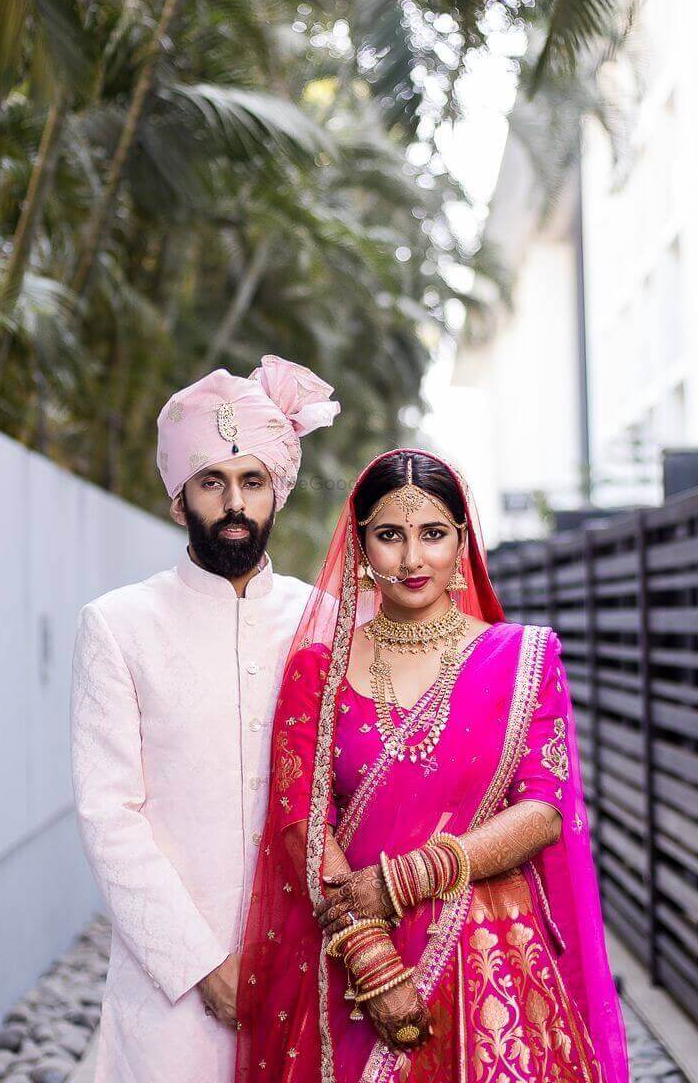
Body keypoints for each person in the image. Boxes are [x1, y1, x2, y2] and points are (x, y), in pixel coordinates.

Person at [235, 448, 629, 1083]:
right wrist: (371, 961)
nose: (413, 559)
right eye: (390, 535)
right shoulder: (318, 668)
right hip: (358, 956)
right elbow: (301, 819)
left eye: (433, 534)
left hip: (494, 958)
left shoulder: (520, 659)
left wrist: (406, 880)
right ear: (361, 546)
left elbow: (543, 810)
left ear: (463, 541)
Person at [70, 355, 340, 1082]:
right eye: (211, 481)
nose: (233, 502)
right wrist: (200, 964)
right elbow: (109, 815)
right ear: (176, 496)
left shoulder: (329, 625)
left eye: (252, 481)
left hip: (309, 969)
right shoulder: (119, 626)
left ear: (277, 492)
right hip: (170, 993)